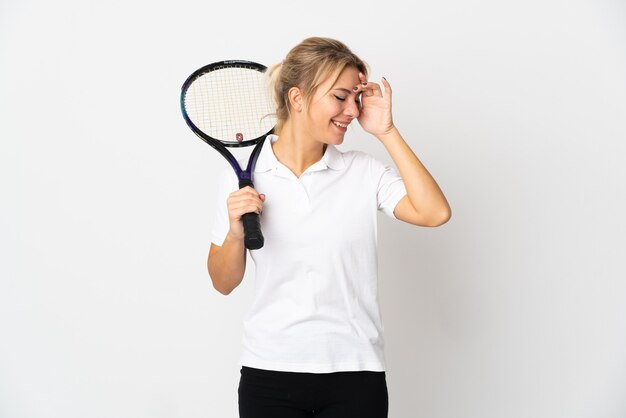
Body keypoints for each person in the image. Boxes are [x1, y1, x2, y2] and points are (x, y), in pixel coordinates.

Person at [207, 37, 451, 418]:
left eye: (356, 97)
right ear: (297, 98)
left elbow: (434, 213)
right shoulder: (241, 179)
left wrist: (386, 132)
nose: (352, 110)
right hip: (269, 373)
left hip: (355, 375)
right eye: (340, 97)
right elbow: (223, 282)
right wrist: (236, 233)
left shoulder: (363, 171)